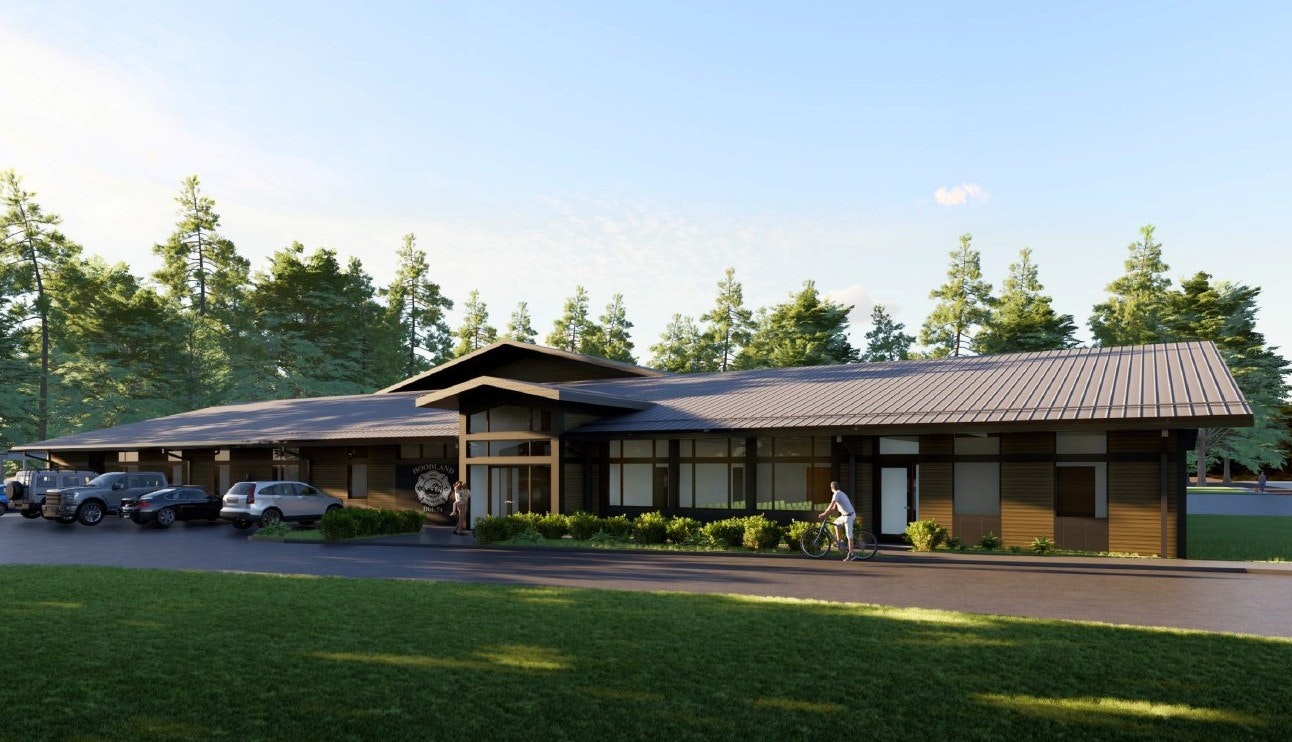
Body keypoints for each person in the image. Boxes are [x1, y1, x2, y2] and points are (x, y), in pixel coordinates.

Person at [817, 481, 856, 560]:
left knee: (849, 535)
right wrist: (827, 513)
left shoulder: (836, 494)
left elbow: (831, 505)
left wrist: (824, 513)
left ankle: (851, 554)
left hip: (849, 516)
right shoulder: (841, 493)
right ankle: (839, 542)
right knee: (836, 523)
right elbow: (834, 507)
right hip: (845, 515)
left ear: (831, 488)